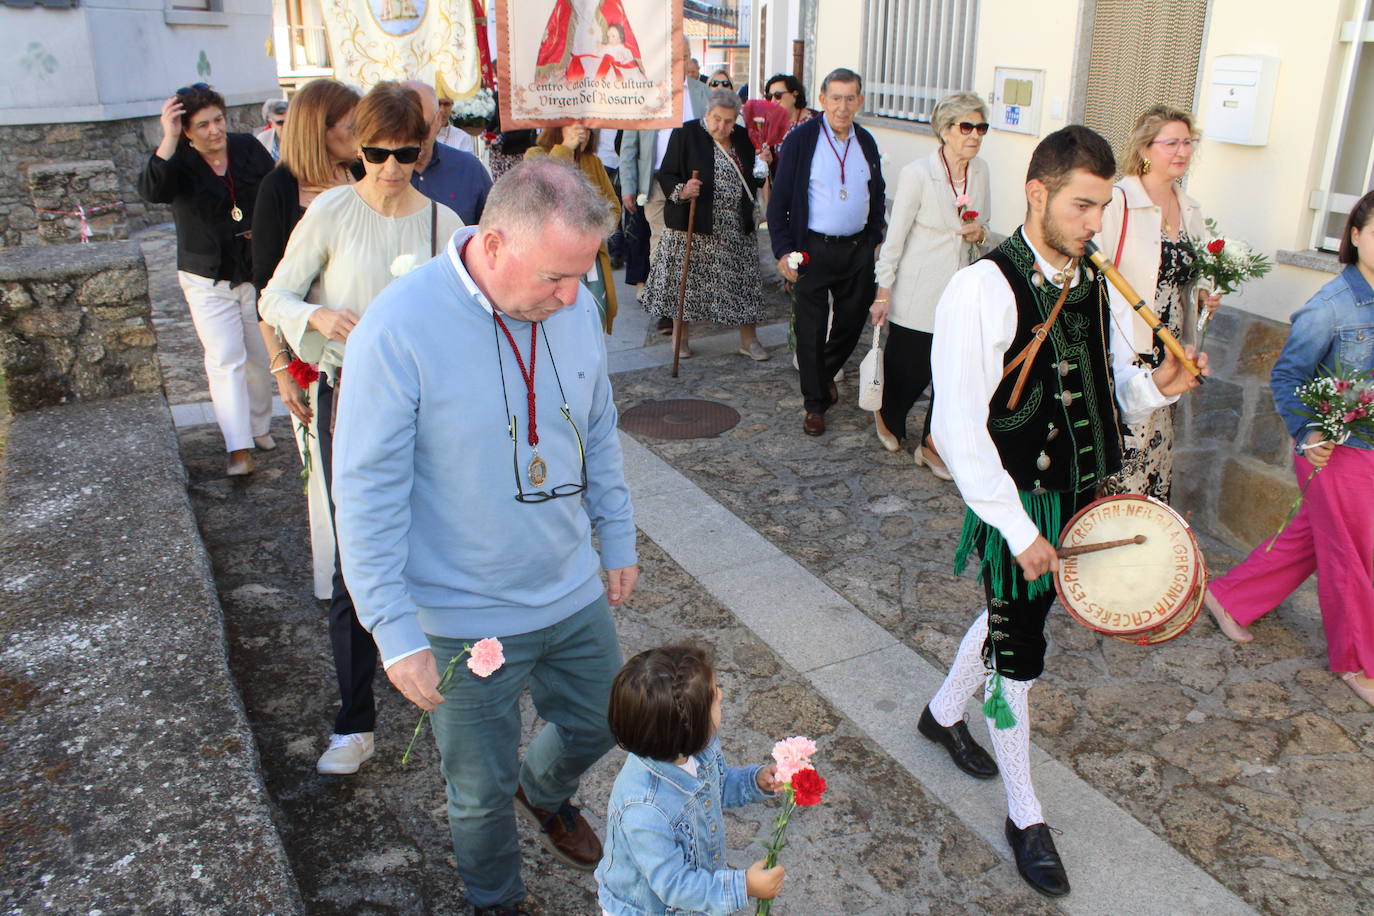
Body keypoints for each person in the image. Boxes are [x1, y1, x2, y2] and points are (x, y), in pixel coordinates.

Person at [331, 159, 637, 916]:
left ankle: (545, 790)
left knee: (607, 718)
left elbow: (598, 428)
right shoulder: (398, 328)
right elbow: (365, 493)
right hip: (460, 613)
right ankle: (495, 899)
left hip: (568, 586)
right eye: (556, 277)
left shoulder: (571, 305)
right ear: (494, 245)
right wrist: (393, 630)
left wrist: (616, 532)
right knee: (477, 790)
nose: (572, 298)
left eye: (581, 276)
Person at [918, 125, 1207, 897]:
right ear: (1037, 193)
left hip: (1079, 493)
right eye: (1082, 205)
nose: (1094, 222)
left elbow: (1113, 389)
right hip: (1016, 501)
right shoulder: (982, 288)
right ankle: (1026, 814)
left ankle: (942, 713)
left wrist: (1158, 388)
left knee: (1015, 617)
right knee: (1020, 651)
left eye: (1103, 206)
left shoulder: (1094, 282)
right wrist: (1017, 532)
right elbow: (958, 428)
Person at [259, 81, 464, 775]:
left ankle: (442, 693)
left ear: (423, 149)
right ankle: (354, 722)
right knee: (356, 556)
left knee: (434, 547)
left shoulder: (443, 224)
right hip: (347, 397)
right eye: (377, 153)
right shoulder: (331, 212)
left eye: (405, 153)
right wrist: (315, 317)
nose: (390, 168)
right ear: (358, 148)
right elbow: (274, 294)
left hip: (426, 405)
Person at [1204, 190, 1374, 709]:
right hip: (1335, 451)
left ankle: (1229, 597)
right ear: (1355, 235)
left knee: (1314, 538)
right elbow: (1288, 376)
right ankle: (1358, 662)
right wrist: (1310, 434)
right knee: (1352, 557)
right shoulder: (1330, 307)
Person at [251, 77, 361, 598]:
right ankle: (335, 583)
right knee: (324, 475)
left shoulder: (359, 174)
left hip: (357, 348)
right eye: (350, 126)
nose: (360, 135)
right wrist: (281, 371)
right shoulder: (279, 188)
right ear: (321, 128)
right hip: (308, 352)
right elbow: (267, 288)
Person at [138, 82, 275, 477]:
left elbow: (274, 190)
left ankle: (259, 427)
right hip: (206, 278)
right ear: (187, 130)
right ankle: (238, 447)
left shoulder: (246, 148)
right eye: (203, 125)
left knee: (259, 357)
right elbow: (151, 189)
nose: (214, 130)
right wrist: (168, 137)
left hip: (253, 272)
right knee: (225, 359)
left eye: (218, 120)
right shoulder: (177, 161)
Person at [596, 645, 785, 915]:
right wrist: (744, 886)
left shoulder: (698, 747)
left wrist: (754, 781)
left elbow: (716, 786)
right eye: (713, 696)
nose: (721, 694)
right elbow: (674, 885)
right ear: (690, 727)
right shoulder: (645, 811)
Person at [1096, 105, 1220, 502]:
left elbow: (1190, 275)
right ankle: (1111, 523)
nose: (1182, 151)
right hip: (1128, 346)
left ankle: (1148, 528)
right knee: (1127, 452)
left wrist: (1204, 294)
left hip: (1171, 350)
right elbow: (1095, 270)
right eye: (1171, 143)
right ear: (1145, 148)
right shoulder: (1119, 201)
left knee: (1157, 456)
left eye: (1188, 142)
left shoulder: (1190, 208)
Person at [870, 92, 991, 478]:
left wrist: (980, 232)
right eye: (966, 127)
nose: (975, 135)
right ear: (945, 130)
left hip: (960, 289)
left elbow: (985, 225)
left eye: (981, 128)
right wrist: (883, 291)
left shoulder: (981, 171)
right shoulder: (918, 173)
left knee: (952, 374)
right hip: (919, 289)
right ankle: (888, 413)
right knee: (911, 369)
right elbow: (895, 237)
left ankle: (933, 444)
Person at [768, 68, 886, 436]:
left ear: (859, 101)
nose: (842, 106)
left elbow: (877, 193)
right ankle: (815, 404)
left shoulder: (865, 141)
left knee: (851, 324)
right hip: (813, 249)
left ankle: (820, 378)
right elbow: (779, 201)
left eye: (850, 98)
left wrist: (874, 235)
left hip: (857, 250)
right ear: (822, 100)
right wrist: (783, 250)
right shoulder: (801, 141)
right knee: (811, 330)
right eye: (835, 98)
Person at [639, 89, 768, 361]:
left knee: (744, 285)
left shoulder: (742, 137)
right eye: (717, 119)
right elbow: (667, 173)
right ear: (707, 114)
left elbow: (752, 180)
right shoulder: (686, 133)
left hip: (734, 226)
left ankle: (749, 340)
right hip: (694, 225)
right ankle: (680, 338)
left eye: (729, 121)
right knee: (685, 286)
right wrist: (683, 190)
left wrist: (763, 165)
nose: (722, 127)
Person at [621, 38, 712, 321]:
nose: (676, 62)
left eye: (682, 56)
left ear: (688, 58)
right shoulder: (645, 94)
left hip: (693, 181)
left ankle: (686, 304)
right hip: (657, 180)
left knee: (692, 244)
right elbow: (629, 145)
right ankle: (666, 309)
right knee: (661, 244)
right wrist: (628, 185)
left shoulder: (702, 93)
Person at [524, 124, 621, 332]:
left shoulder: (593, 161)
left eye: (586, 128)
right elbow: (540, 190)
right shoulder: (536, 155)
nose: (582, 132)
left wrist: (592, 229)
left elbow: (613, 207)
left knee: (594, 321)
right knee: (557, 326)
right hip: (552, 261)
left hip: (590, 259)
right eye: (573, 126)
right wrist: (565, 148)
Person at [403, 79, 492, 224]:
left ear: (438, 120)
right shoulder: (381, 171)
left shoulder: (469, 170)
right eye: (405, 128)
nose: (415, 137)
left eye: (422, 128)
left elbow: (495, 228)